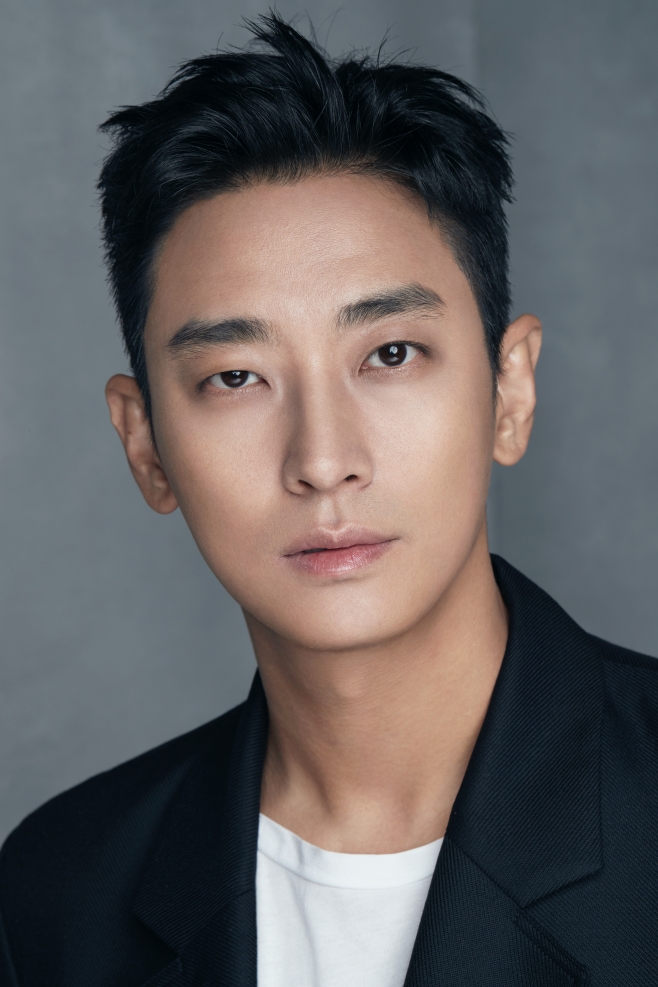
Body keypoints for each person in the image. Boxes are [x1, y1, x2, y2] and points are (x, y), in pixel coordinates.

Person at [1, 13, 656, 987]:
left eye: (389, 354)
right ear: (146, 445)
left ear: (509, 391)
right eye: (235, 377)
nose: (322, 459)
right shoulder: (59, 894)